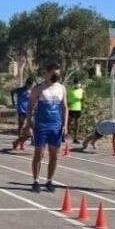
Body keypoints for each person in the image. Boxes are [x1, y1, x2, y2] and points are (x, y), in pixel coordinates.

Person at [23, 63, 68, 193]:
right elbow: (30, 106)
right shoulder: (39, 88)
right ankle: (36, 181)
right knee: (39, 154)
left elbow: (65, 107)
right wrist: (29, 123)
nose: (56, 76)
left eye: (58, 74)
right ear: (47, 73)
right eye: (54, 73)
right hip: (41, 125)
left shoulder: (62, 88)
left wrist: (65, 125)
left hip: (56, 126)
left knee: (54, 155)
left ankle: (49, 181)